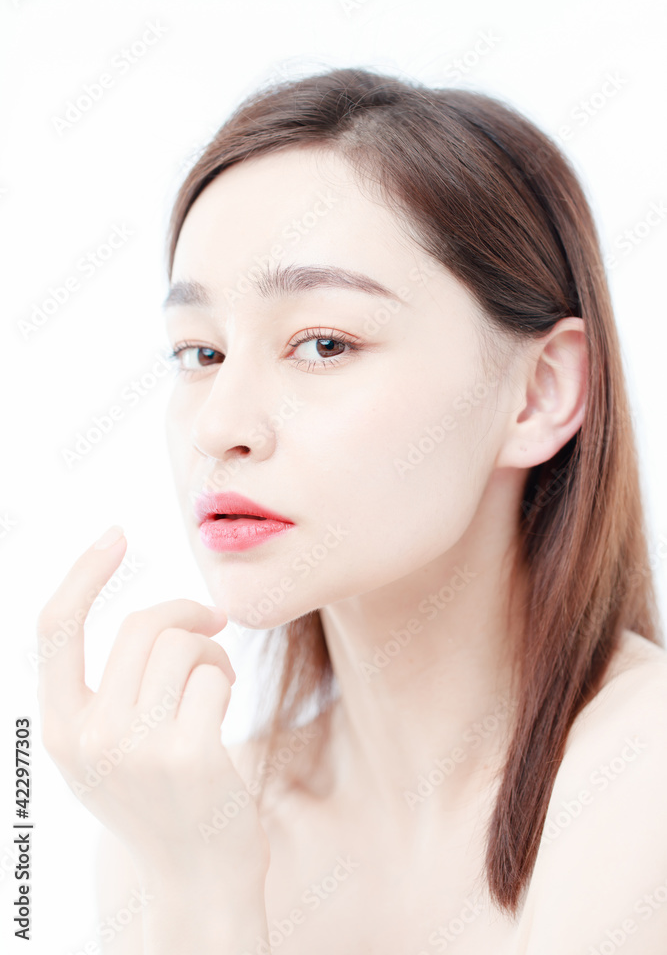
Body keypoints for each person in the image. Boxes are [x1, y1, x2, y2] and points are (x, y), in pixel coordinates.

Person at [37, 67, 667, 955]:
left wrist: (206, 906)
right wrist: (187, 879)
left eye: (323, 343)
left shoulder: (644, 770)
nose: (220, 426)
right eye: (200, 351)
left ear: (537, 393)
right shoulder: (178, 818)